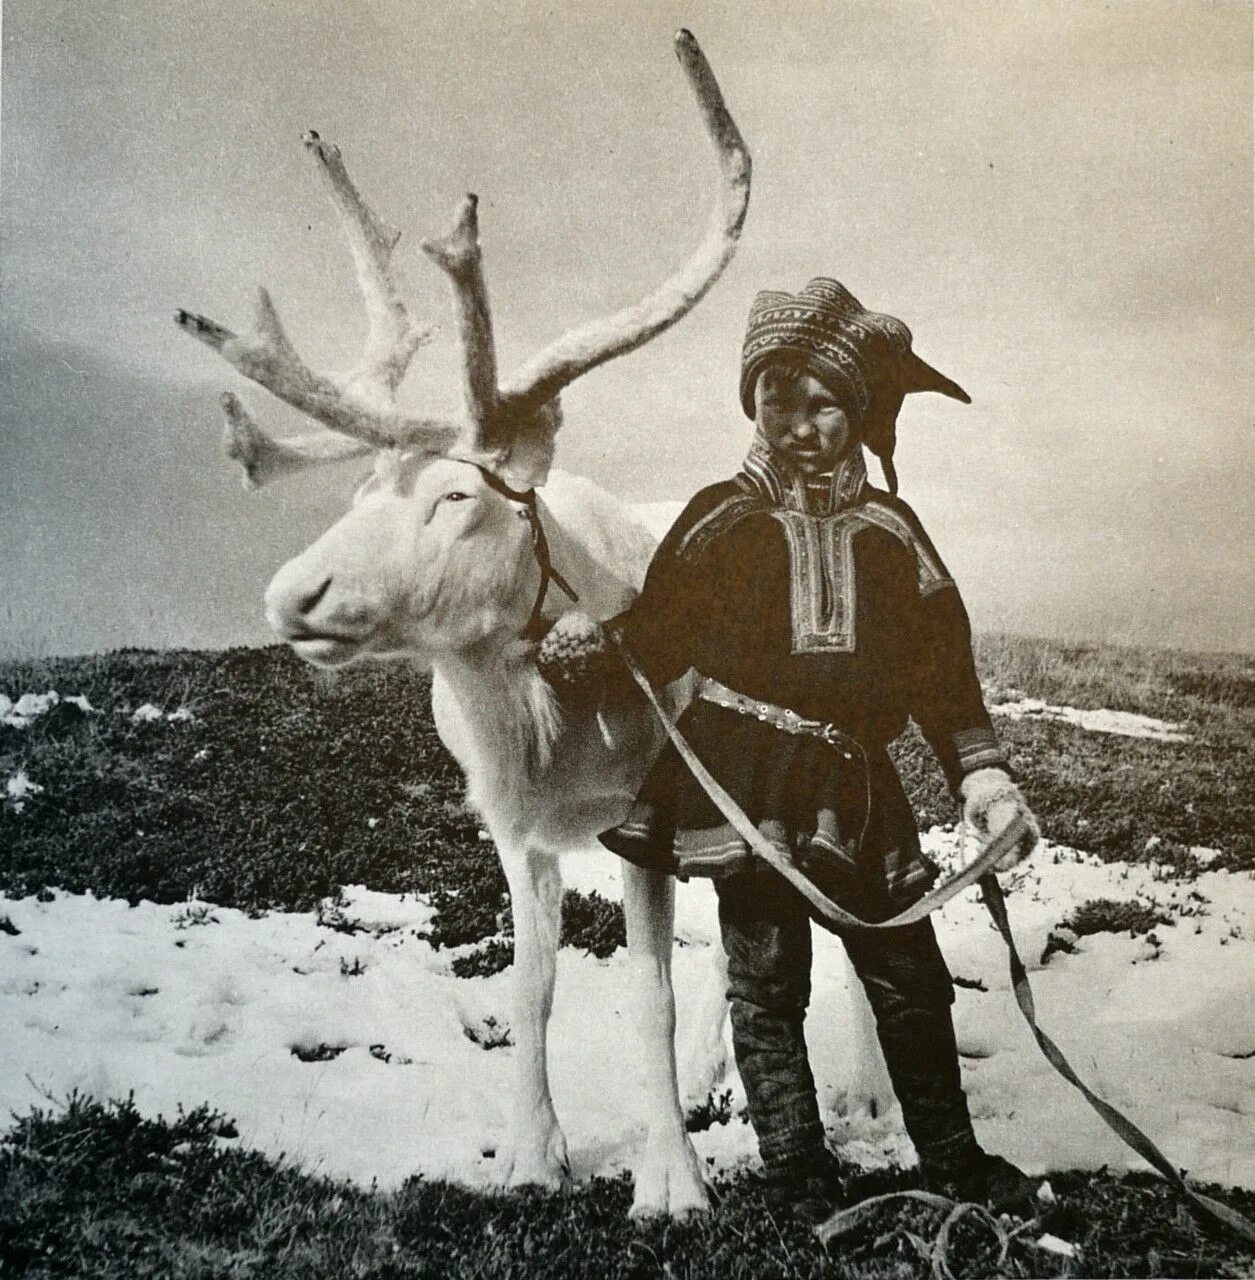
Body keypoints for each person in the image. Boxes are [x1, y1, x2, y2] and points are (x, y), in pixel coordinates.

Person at [537, 278, 1042, 1223]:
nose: (797, 423)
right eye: (777, 396)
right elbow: (659, 635)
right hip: (749, 778)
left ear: (857, 412)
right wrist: (592, 651)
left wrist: (980, 769)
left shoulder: (895, 533)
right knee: (766, 983)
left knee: (908, 974)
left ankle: (955, 1162)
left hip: (858, 783)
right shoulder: (718, 518)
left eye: (822, 403)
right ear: (751, 399)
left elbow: (943, 669)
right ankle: (797, 1177)